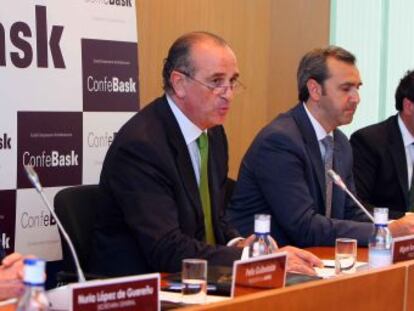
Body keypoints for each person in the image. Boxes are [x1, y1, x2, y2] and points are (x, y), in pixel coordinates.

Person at [90, 31, 321, 277]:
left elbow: (214, 219)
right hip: (142, 286)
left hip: (196, 278)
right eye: (216, 82)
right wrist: (249, 258)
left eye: (232, 81)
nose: (228, 93)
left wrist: (239, 244)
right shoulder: (142, 146)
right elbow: (165, 248)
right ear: (179, 83)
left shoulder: (213, 134)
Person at [228, 46, 414, 247]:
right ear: (315, 90)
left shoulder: (341, 143)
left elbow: (351, 210)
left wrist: (395, 226)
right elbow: (303, 226)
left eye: (357, 88)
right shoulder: (280, 141)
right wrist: (385, 231)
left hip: (315, 259)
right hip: (266, 264)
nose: (356, 98)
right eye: (346, 89)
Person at [351, 70, 414, 219]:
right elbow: (357, 206)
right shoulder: (368, 141)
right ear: (409, 106)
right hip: (383, 237)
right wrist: (404, 221)